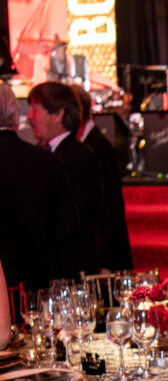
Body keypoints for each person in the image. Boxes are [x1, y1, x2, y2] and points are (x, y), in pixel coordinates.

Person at [0, 81, 80, 287]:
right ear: (15, 117)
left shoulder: (51, 159)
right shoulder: (47, 161)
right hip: (39, 283)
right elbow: (68, 228)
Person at [27, 81, 103, 274]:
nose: (28, 117)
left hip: (71, 270)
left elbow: (74, 221)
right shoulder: (40, 153)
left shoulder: (80, 156)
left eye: (35, 110)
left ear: (58, 114)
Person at [73, 84, 133, 272]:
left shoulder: (98, 147)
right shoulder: (89, 144)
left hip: (107, 255)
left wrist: (105, 261)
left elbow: (110, 206)